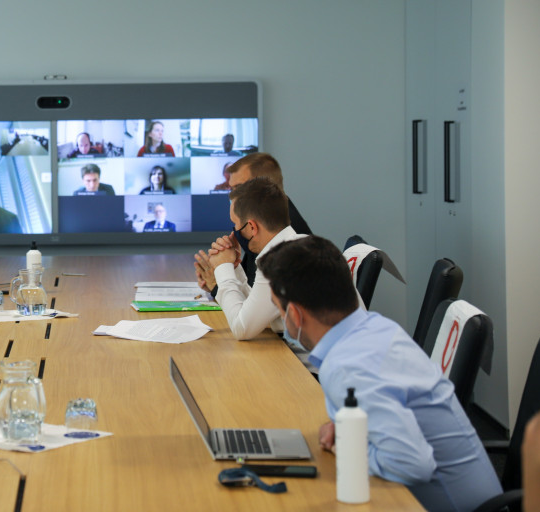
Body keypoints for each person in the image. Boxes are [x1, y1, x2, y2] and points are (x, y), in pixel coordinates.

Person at [258, 235, 502, 511]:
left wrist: (349, 445)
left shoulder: (346, 365)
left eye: (278, 310)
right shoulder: (376, 328)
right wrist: (350, 427)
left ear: (296, 315)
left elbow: (411, 464)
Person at [194, 178, 302, 340]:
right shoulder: (295, 246)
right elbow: (256, 312)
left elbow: (242, 329)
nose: (234, 231)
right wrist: (234, 269)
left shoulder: (279, 262)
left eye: (235, 224)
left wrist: (223, 268)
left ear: (251, 227)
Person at [195, 153, 312, 292]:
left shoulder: (282, 227)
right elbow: (250, 286)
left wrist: (217, 286)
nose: (232, 195)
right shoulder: (263, 217)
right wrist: (218, 279)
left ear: (263, 186)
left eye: (238, 188)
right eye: (231, 189)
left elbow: (254, 307)